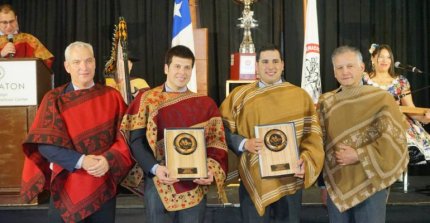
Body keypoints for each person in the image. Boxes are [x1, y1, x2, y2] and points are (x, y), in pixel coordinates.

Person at [20, 41, 134, 223]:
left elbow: (127, 138)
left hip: (102, 184)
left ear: (95, 63)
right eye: (77, 62)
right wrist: (82, 161)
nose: (84, 67)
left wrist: (108, 159)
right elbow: (45, 145)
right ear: (67, 66)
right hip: (65, 185)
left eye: (88, 61)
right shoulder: (54, 99)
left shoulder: (112, 97)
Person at [120, 45, 228, 223]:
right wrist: (155, 169)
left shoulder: (205, 104)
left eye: (187, 67)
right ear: (166, 68)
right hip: (159, 181)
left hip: (194, 185)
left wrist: (210, 171)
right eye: (177, 66)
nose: (182, 72)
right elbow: (136, 141)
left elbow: (217, 143)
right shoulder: (147, 99)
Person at [219, 44, 324, 222]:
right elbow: (221, 129)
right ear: (257, 66)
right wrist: (244, 143)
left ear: (283, 65)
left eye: (275, 61)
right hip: (253, 181)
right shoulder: (240, 96)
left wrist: (305, 161)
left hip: (290, 181)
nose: (271, 66)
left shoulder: (300, 96)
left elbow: (313, 137)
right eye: (265, 61)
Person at [317, 46, 409, 223]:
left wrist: (359, 154)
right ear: (334, 72)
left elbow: (395, 141)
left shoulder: (382, 99)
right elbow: (320, 144)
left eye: (350, 66)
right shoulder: (326, 102)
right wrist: (323, 185)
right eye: (339, 67)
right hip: (336, 186)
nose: (345, 72)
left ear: (362, 68)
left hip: (372, 184)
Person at [364, 43, 430, 165]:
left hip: (398, 120)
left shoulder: (400, 82)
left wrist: (424, 118)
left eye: (388, 57)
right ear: (373, 58)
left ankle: (410, 150)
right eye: (381, 56)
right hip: (370, 121)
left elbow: (410, 109)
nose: (385, 60)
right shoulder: (363, 79)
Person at [0, 3, 54, 68]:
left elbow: (46, 62)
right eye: (4, 22)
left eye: (11, 21)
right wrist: (1, 54)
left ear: (16, 19)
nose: (9, 26)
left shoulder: (29, 39)